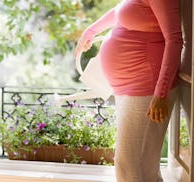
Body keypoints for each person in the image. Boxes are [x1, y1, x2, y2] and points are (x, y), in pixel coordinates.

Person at [75, 0, 182, 181]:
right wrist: (90, 31)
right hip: (130, 86)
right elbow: (122, 11)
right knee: (145, 168)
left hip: (147, 86)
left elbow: (174, 40)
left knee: (128, 164)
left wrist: (161, 93)